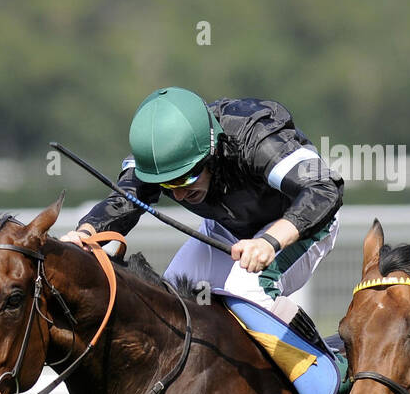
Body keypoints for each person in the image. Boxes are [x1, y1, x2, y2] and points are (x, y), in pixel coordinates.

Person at [61, 87, 343, 342]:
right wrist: (84, 234)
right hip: (228, 229)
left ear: (211, 151)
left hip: (300, 225)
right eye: (168, 185)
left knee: (247, 290)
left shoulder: (255, 137)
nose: (180, 194)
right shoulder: (159, 158)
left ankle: (324, 373)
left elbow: (324, 188)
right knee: (167, 300)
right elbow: (122, 202)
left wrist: (270, 240)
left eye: (186, 179)